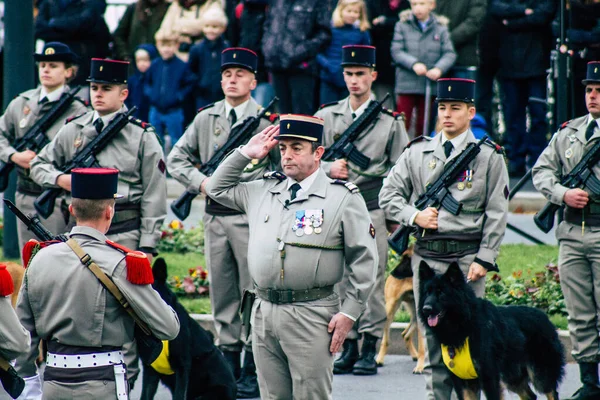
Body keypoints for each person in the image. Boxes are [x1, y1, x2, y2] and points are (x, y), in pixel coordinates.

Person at [205, 115, 378, 399]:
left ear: (318, 153)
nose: (287, 155)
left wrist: (349, 313)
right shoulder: (263, 190)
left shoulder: (342, 197)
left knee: (310, 394)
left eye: (297, 148)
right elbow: (215, 189)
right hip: (264, 312)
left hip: (311, 313)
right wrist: (245, 153)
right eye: (283, 148)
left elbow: (365, 260)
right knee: (272, 396)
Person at [29, 57, 167, 386]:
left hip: (125, 233)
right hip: (78, 237)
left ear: (124, 93)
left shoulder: (142, 135)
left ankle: (123, 388)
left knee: (125, 319)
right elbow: (38, 165)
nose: (98, 94)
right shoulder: (74, 128)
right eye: (94, 88)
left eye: (106, 88)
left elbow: (154, 194)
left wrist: (147, 247)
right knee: (80, 309)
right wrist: (62, 181)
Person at [379, 78, 509, 400]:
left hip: (467, 263)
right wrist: (414, 216)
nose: (447, 114)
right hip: (428, 259)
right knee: (434, 348)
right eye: (442, 108)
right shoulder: (418, 152)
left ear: (471, 112)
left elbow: (497, 210)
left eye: (455, 108)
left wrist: (485, 257)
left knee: (470, 348)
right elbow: (388, 194)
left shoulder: (488, 156)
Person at [167, 47, 278, 398]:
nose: (233, 79)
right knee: (223, 292)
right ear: (220, 80)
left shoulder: (265, 124)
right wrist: (203, 184)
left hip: (249, 220)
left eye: (240, 74)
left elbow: (280, 169)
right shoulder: (206, 118)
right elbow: (176, 158)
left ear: (253, 81)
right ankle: (228, 360)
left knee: (253, 292)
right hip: (215, 218)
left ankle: (252, 363)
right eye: (227, 74)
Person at [16, 167, 180, 399]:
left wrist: (28, 382)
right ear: (109, 211)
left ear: (72, 210)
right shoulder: (121, 263)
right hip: (102, 384)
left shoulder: (39, 258)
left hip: (52, 381)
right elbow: (169, 327)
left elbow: (24, 334)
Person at [315, 44, 408, 376]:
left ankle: (371, 343)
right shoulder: (326, 116)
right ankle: (348, 344)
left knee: (370, 276)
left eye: (360, 74)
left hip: (371, 207)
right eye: (349, 74)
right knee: (339, 276)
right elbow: (310, 159)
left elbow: (402, 168)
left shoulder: (390, 121)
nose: (355, 81)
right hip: (336, 207)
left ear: (373, 76)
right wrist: (328, 169)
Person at [532, 62, 600, 400]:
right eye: (589, 90)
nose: (593, 97)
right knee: (579, 311)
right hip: (572, 233)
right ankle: (590, 381)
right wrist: (562, 194)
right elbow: (542, 170)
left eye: (599, 91)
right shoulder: (568, 132)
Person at [0, 42, 88, 251]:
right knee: (28, 258)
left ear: (68, 71)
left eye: (53, 65)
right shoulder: (22, 103)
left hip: (56, 197)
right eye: (42, 65)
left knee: (57, 258)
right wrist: (13, 156)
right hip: (24, 193)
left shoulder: (78, 110)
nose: (46, 70)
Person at [491, 0, 556, 177]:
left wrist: (513, 22)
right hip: (509, 64)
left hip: (536, 64)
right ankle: (516, 160)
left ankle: (538, 161)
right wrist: (525, 11)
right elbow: (495, 8)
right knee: (513, 115)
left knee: (538, 115)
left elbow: (543, 15)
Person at [391, 0, 456, 137]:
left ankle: (422, 152)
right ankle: (400, 153)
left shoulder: (440, 28)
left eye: (421, 4)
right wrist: (413, 63)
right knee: (402, 122)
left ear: (431, 5)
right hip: (406, 84)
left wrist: (439, 68)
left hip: (428, 85)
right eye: (414, 4)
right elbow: (396, 51)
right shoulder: (402, 25)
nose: (417, 8)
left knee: (424, 123)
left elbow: (449, 53)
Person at [261, 0, 333, 114]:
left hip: (302, 67)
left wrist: (300, 51)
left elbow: (324, 33)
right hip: (276, 64)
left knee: (301, 117)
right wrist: (268, 46)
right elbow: (268, 24)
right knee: (283, 116)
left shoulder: (316, 2)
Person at [34, 0, 111, 87]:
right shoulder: (48, 3)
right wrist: (69, 30)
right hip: (52, 60)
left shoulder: (89, 3)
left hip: (80, 66)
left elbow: (84, 23)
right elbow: (39, 29)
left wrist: (53, 23)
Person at [145, 31, 195, 152]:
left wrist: (179, 97)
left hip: (174, 110)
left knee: (176, 141)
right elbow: (147, 82)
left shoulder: (182, 66)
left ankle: (174, 168)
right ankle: (157, 167)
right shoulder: (155, 64)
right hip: (156, 109)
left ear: (176, 46)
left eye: (170, 46)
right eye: (163, 46)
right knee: (155, 141)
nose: (166, 49)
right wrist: (151, 95)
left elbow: (190, 83)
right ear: (158, 46)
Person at [317, 0, 371, 104]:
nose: (352, 15)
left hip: (351, 79)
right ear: (341, 11)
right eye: (349, 11)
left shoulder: (362, 32)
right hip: (328, 77)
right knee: (327, 109)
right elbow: (318, 51)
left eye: (356, 12)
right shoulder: (330, 28)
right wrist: (328, 65)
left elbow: (366, 54)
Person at [188, 5, 230, 109]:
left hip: (221, 94)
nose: (210, 30)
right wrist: (198, 86)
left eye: (214, 27)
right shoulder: (197, 49)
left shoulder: (226, 48)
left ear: (222, 28)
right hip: (202, 95)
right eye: (207, 26)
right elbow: (191, 70)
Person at [156, 0, 223, 62]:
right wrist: (178, 37)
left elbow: (208, 24)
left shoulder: (211, 3)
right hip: (177, 52)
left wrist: (178, 26)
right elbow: (164, 31)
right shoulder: (176, 5)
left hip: (202, 52)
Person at [113, 0, 171, 65]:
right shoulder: (133, 8)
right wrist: (125, 55)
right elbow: (119, 35)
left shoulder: (169, 10)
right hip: (134, 62)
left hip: (159, 63)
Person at [126, 44, 159, 122]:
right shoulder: (132, 80)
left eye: (145, 60)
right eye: (138, 60)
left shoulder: (156, 79)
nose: (142, 64)